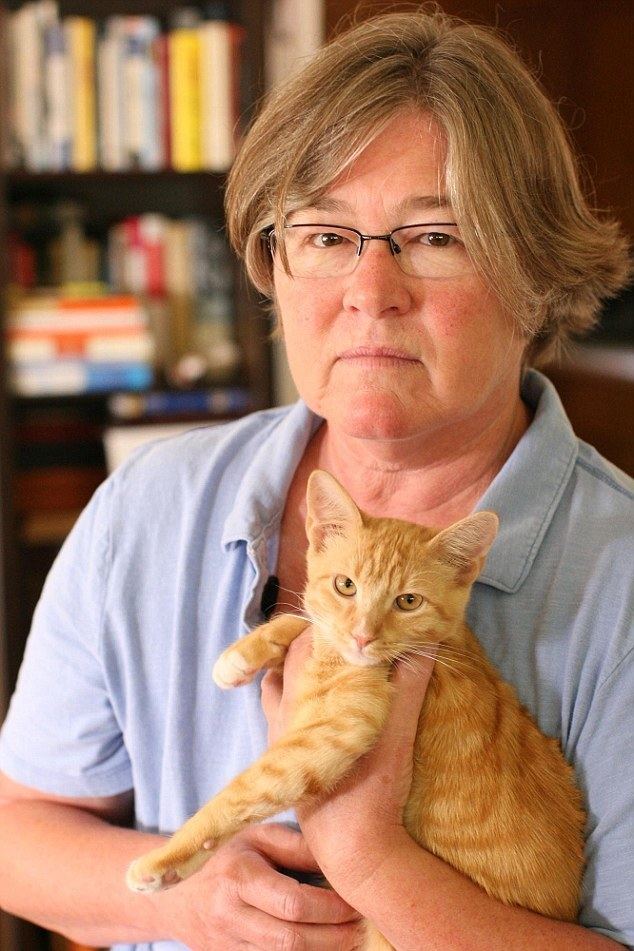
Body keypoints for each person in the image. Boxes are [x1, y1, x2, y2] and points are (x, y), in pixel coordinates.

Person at [0, 7, 632, 950]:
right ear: (272, 265)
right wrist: (185, 901)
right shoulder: (148, 506)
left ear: (534, 274)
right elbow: (18, 828)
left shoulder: (620, 572)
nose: (370, 294)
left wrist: (371, 856)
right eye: (326, 236)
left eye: (435, 237)